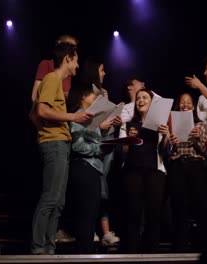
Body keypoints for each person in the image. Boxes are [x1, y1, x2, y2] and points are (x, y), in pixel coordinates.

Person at [29, 42, 93, 255]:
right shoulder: (52, 79)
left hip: (61, 144)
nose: (77, 65)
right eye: (75, 60)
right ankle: (38, 248)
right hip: (54, 143)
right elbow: (41, 110)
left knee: (58, 201)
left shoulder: (56, 82)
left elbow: (37, 113)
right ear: (68, 58)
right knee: (50, 197)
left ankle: (48, 248)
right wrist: (72, 117)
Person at [66, 82, 117, 253]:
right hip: (84, 167)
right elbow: (78, 146)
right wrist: (99, 148)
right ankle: (83, 254)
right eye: (92, 95)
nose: (95, 98)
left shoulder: (88, 117)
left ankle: (85, 253)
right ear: (82, 97)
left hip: (92, 168)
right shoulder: (79, 115)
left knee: (89, 215)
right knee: (85, 216)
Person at [119, 88, 170, 253]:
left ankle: (152, 253)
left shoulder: (159, 124)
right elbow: (123, 153)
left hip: (154, 172)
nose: (141, 100)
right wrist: (129, 140)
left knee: (153, 215)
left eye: (145, 97)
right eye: (138, 97)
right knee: (133, 214)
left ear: (151, 102)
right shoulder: (128, 123)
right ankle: (131, 253)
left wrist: (167, 135)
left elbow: (164, 151)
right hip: (132, 171)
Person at [77, 58, 122, 245]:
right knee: (94, 188)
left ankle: (104, 230)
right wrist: (100, 126)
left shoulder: (103, 92)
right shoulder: (85, 92)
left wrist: (115, 120)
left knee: (104, 188)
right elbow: (82, 119)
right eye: (102, 70)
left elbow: (106, 116)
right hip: (93, 141)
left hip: (107, 141)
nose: (104, 73)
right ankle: (90, 230)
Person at [166, 92, 207, 253]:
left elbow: (206, 151)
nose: (185, 105)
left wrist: (197, 139)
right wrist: (171, 143)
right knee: (179, 207)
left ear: (193, 107)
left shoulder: (200, 125)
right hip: (177, 166)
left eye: (189, 103)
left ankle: (201, 245)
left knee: (200, 207)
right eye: (182, 102)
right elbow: (166, 152)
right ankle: (180, 246)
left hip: (196, 166)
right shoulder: (170, 124)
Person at [31, 34, 78, 102]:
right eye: (70, 46)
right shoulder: (46, 64)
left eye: (74, 47)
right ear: (59, 44)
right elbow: (35, 96)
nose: (72, 50)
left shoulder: (68, 72)